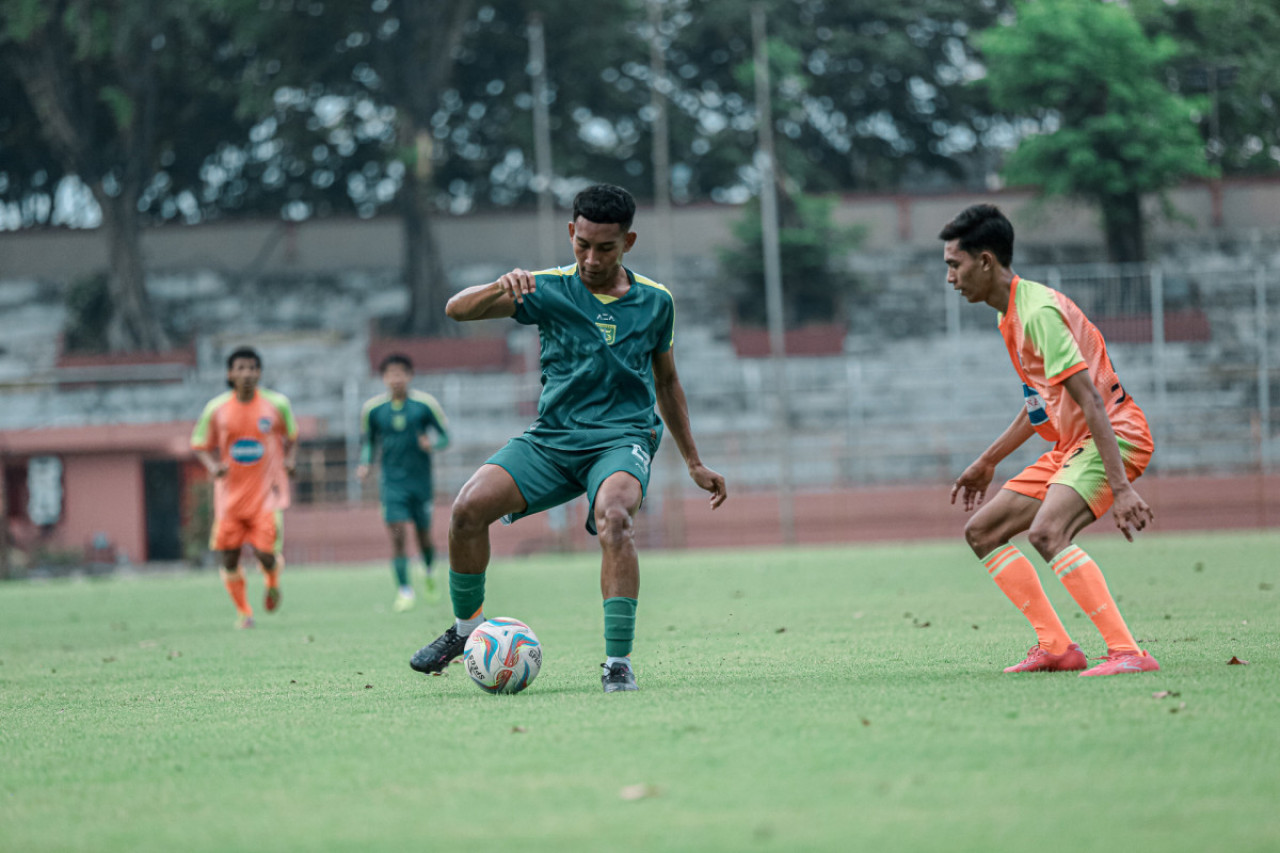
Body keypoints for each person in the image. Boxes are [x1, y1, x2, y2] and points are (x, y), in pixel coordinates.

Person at [409, 183, 727, 692]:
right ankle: (467, 632)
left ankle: (617, 663)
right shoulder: (545, 287)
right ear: (570, 233)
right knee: (467, 509)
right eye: (582, 244)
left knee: (616, 518)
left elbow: (666, 381)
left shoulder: (656, 302)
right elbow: (456, 310)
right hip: (553, 439)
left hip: (622, 437)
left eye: (606, 248)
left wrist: (693, 460)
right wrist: (500, 286)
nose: (591, 258)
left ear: (629, 242)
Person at [941, 203, 1159, 677]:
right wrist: (988, 460)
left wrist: (1120, 488)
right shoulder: (1010, 315)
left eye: (954, 265)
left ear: (985, 262)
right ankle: (1056, 646)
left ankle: (1128, 653)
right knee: (982, 531)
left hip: (1116, 437)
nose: (951, 278)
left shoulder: (1037, 313)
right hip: (1072, 446)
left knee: (1047, 531)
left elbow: (1091, 401)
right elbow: (1040, 402)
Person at [192, 347, 298, 629]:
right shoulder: (217, 409)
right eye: (240, 368)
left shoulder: (277, 405)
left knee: (265, 554)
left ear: (259, 372)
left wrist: (289, 460)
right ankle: (244, 612)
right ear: (230, 373)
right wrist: (213, 467)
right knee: (230, 557)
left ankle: (272, 580)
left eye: (252, 368)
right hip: (230, 499)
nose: (247, 373)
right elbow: (200, 445)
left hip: (267, 496)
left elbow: (292, 436)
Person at [357, 353, 450, 612]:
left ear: (409, 376)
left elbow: (445, 436)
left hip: (420, 484)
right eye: (391, 374)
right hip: (392, 484)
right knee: (397, 534)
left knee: (424, 537)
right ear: (384, 378)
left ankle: (429, 572)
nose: (396, 379)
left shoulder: (424, 405)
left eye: (401, 373)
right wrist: (365, 464)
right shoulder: (373, 410)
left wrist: (431, 444)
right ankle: (404, 591)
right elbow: (369, 443)